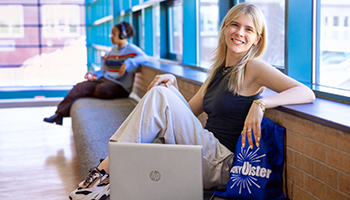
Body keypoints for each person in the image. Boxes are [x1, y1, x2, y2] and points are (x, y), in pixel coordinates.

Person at [68, 3, 315, 200]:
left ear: (257, 39)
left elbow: (305, 92)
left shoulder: (253, 67)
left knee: (160, 96)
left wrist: (260, 104)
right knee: (162, 91)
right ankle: (105, 176)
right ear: (225, 28)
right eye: (235, 25)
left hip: (224, 164)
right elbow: (184, 114)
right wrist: (173, 85)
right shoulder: (218, 70)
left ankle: (102, 175)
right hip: (203, 155)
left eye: (249, 30)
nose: (240, 33)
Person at [43, 21, 148, 125]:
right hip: (105, 81)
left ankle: (89, 93)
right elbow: (104, 70)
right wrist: (95, 74)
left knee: (102, 89)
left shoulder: (132, 49)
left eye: (113, 34)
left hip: (120, 87)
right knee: (80, 87)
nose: (111, 37)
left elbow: (144, 57)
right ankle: (59, 115)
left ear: (123, 35)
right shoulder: (113, 51)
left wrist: (129, 62)